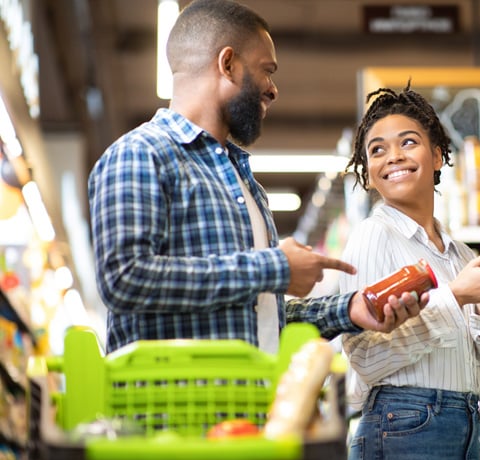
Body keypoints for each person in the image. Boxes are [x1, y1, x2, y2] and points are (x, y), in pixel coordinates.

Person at [87, 0, 428, 354]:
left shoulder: (244, 183)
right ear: (228, 64)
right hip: (171, 405)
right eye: (267, 70)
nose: (273, 89)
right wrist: (275, 266)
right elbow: (124, 279)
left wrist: (349, 309)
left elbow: (262, 316)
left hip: (250, 402)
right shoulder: (141, 154)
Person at [339, 83, 480, 460]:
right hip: (403, 427)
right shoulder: (374, 236)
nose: (393, 157)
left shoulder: (460, 255)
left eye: (408, 143)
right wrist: (456, 296)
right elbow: (366, 358)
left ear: (438, 156)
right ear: (368, 171)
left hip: (464, 426)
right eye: (377, 149)